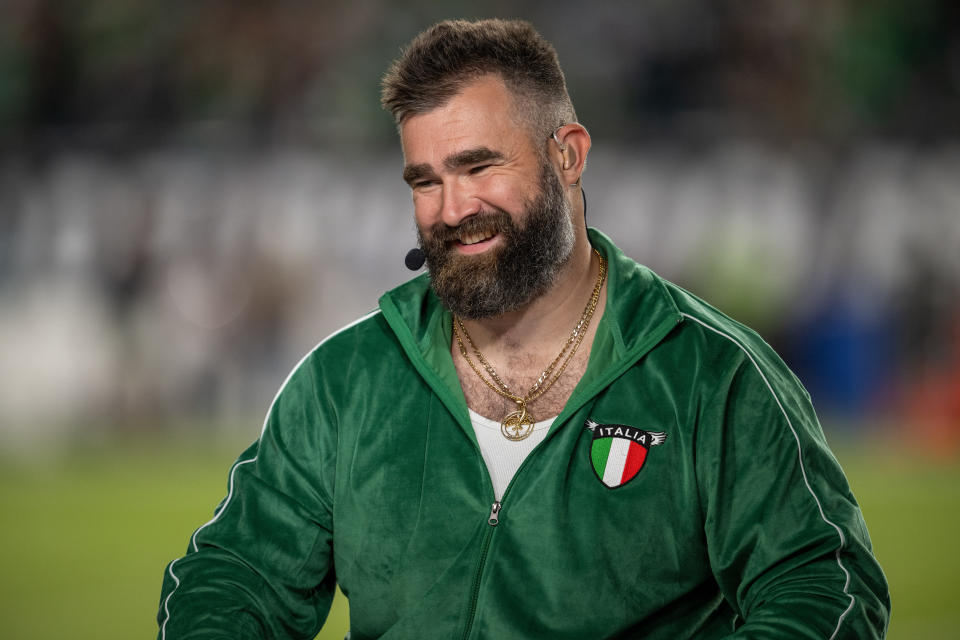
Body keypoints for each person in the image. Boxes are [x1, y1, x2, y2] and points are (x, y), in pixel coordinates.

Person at [158, 18, 890, 639]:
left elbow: (823, 593)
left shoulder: (712, 374)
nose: (451, 209)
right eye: (426, 180)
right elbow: (235, 577)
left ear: (566, 155)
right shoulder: (345, 381)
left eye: (479, 167)